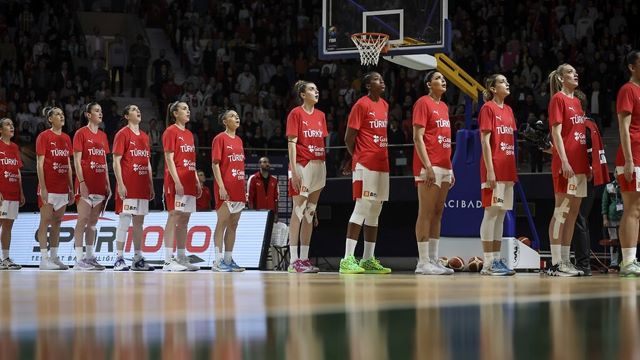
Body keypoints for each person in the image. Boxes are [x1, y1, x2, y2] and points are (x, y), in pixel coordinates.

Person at [339, 72, 392, 274]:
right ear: (368, 85)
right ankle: (347, 259)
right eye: (378, 79)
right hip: (365, 165)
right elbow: (348, 137)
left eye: (382, 78)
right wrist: (357, 157)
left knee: (375, 212)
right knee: (361, 208)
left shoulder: (385, 105)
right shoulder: (361, 105)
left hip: (382, 164)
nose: (382, 81)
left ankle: (368, 259)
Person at [546, 63, 589, 277]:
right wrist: (563, 160)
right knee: (561, 211)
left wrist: (587, 164)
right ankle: (555, 263)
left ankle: (565, 260)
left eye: (575, 71)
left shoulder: (578, 102)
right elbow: (556, 132)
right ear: (562, 78)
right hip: (567, 164)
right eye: (571, 72)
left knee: (573, 214)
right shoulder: (558, 99)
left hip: (580, 165)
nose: (576, 74)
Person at [411, 71, 455, 276]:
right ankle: (423, 262)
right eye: (438, 78)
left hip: (445, 166)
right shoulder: (423, 103)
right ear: (429, 84)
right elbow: (418, 137)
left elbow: (444, 138)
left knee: (438, 213)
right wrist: (427, 166)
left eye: (443, 78)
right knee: (426, 213)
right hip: (429, 165)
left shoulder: (444, 106)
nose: (442, 80)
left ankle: (434, 260)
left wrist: (451, 168)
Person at [477, 74, 517, 276]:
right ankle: (488, 262)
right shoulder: (487, 108)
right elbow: (485, 141)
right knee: (491, 213)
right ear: (493, 88)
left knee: (501, 215)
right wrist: (490, 169)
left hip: (508, 170)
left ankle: (497, 259)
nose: (507, 83)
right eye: (502, 81)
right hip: (493, 169)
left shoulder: (509, 110)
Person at [286, 80, 327, 273]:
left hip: (320, 164)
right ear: (302, 94)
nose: (316, 91)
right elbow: (292, 144)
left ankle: (304, 258)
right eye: (312, 89)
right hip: (302, 164)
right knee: (299, 210)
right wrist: (293, 170)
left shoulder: (320, 115)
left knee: (310, 212)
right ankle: (294, 261)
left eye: (316, 88)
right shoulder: (296, 113)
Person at [112, 105, 155, 271]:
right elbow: (116, 161)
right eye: (134, 109)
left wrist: (150, 184)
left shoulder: (145, 136)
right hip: (128, 185)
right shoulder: (122, 134)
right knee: (124, 220)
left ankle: (137, 259)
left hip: (142, 185)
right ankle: (119, 258)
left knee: (139, 223)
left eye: (139, 109)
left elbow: (147, 162)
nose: (138, 111)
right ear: (126, 115)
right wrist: (121, 184)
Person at [162, 101, 201, 271]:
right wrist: (177, 181)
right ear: (175, 113)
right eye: (184, 108)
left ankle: (181, 256)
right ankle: (167, 260)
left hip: (189, 180)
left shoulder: (190, 134)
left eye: (188, 108)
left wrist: (197, 180)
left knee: (185, 219)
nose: (188, 111)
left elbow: (191, 160)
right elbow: (169, 159)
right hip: (176, 180)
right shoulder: (170, 131)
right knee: (174, 215)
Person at [72, 102, 110, 271]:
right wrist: (81, 183)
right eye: (96, 111)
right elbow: (77, 161)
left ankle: (90, 257)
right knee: (82, 220)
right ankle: (79, 259)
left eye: (101, 111)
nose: (100, 113)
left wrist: (108, 182)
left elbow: (105, 162)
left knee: (93, 224)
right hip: (85, 184)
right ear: (88, 115)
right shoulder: (81, 133)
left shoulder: (103, 135)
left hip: (100, 184)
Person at [36, 107, 73, 270]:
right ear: (50, 119)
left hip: (62, 188)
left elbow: (68, 164)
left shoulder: (66, 138)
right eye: (57, 114)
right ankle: (44, 259)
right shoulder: (44, 136)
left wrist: (71, 188)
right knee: (45, 221)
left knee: (57, 222)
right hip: (48, 187)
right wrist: (43, 188)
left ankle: (54, 257)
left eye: (62, 114)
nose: (61, 116)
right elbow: (39, 163)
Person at [211, 110, 246, 272]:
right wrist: (221, 187)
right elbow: (215, 164)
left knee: (234, 224)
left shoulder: (239, 140)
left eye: (237, 115)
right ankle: (217, 261)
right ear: (225, 121)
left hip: (238, 189)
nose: (236, 117)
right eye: (232, 116)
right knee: (222, 222)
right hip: (225, 188)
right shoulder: (220, 139)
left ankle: (228, 259)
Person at [615, 49, 640, 276]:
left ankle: (632, 260)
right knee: (633, 208)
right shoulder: (628, 90)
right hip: (632, 158)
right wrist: (630, 160)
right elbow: (623, 128)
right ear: (632, 67)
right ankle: (628, 262)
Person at [0, 118, 25, 270]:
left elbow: (17, 170)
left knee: (8, 225)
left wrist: (21, 192)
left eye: (12, 124)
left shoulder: (15, 147)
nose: (12, 127)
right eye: (8, 124)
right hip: (2, 193)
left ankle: (6, 258)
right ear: (0, 130)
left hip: (13, 192)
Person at [601, 178, 622, 267]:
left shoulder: (627, 184)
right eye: (615, 172)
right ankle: (614, 263)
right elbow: (604, 203)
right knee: (613, 241)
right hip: (612, 217)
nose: (617, 174)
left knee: (625, 241)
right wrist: (605, 218)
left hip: (624, 217)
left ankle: (625, 261)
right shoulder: (609, 186)